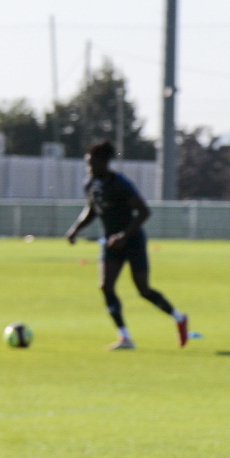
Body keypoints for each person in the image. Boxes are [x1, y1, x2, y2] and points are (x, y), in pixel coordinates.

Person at [65, 140, 188, 349]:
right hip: (111, 244)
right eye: (87, 164)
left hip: (133, 241)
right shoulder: (92, 185)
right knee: (106, 286)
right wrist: (75, 229)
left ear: (104, 162)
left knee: (143, 290)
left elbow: (144, 211)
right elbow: (93, 210)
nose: (89, 168)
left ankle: (179, 317)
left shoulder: (120, 184)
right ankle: (125, 337)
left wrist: (124, 235)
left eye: (92, 163)